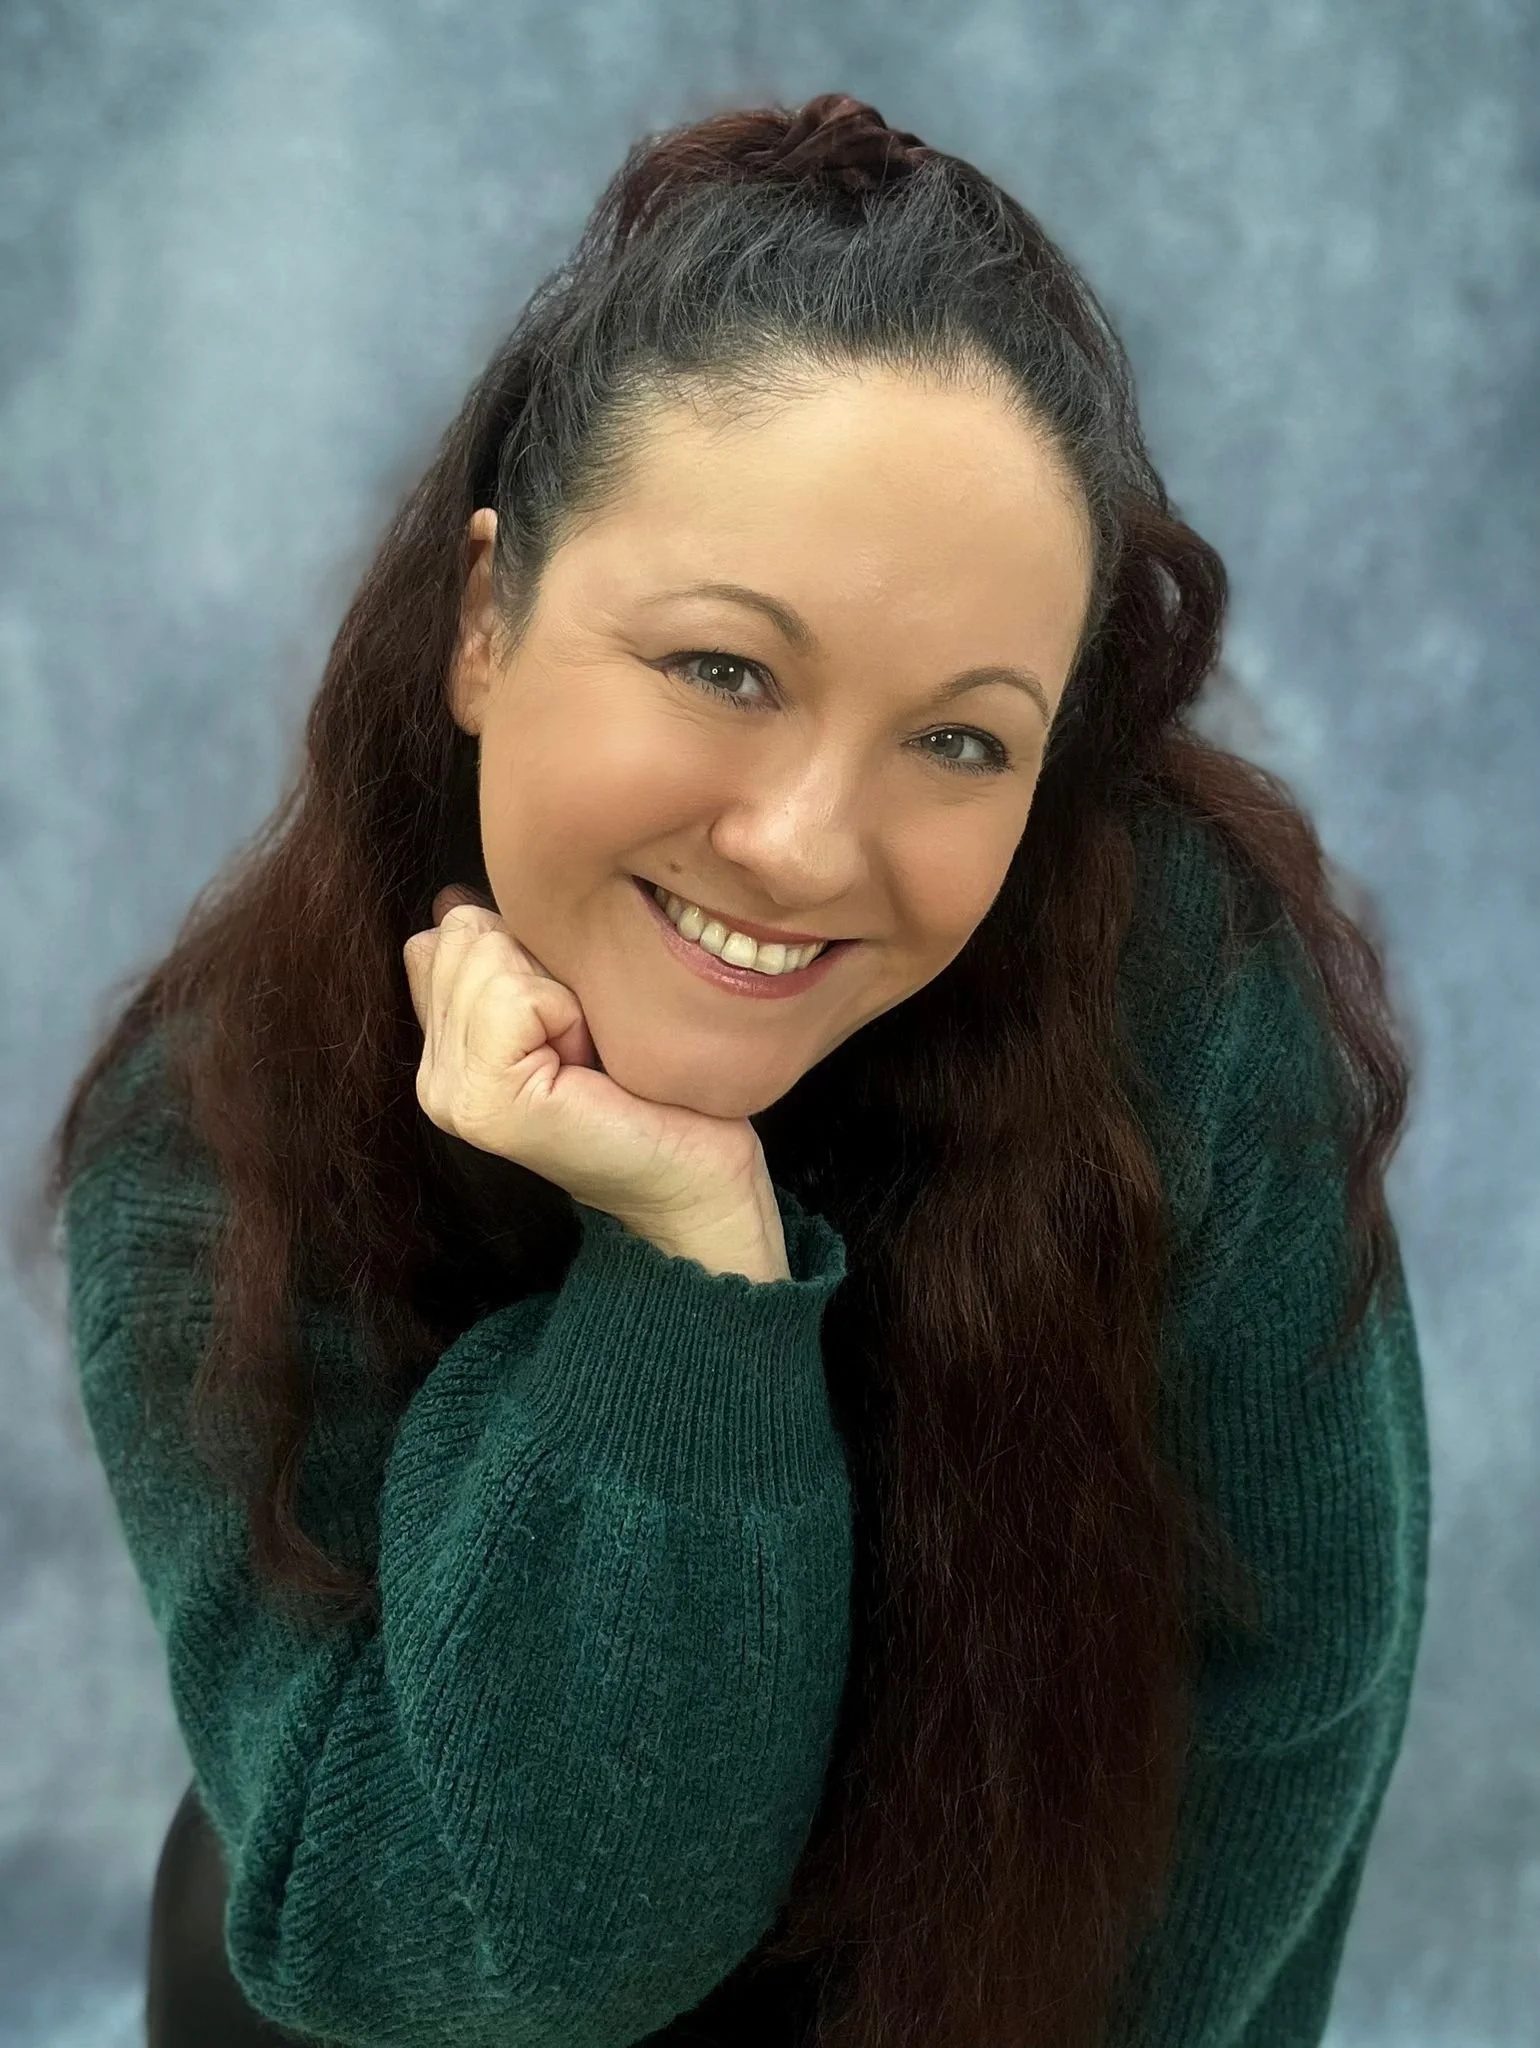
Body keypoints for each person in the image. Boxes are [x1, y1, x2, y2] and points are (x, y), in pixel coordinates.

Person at [37, 91, 1429, 2048]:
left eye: (958, 741)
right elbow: (507, 1942)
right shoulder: (215, 1132)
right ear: (484, 619)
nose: (800, 842)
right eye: (723, 668)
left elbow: (1275, 1717)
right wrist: (686, 1270)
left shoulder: (1176, 1007)